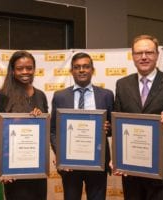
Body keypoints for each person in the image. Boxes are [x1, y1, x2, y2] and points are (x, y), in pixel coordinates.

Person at [114, 34, 163, 200]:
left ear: (157, 55)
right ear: (133, 56)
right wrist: (118, 158)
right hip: (132, 171)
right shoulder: (122, 84)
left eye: (149, 52)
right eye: (138, 53)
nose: (144, 57)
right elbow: (118, 125)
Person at [50, 52, 114, 200]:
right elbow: (53, 130)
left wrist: (107, 128)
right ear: (71, 71)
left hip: (98, 161)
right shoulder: (60, 96)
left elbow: (113, 129)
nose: (81, 70)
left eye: (86, 66)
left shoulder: (106, 95)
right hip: (70, 163)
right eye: (77, 67)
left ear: (93, 69)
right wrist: (59, 152)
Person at [0, 50, 48, 200]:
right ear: (13, 71)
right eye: (20, 68)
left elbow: (45, 130)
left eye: (29, 68)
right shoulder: (3, 95)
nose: (25, 72)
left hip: (37, 166)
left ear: (34, 69)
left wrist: (40, 117)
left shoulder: (40, 95)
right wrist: (4, 164)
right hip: (14, 165)